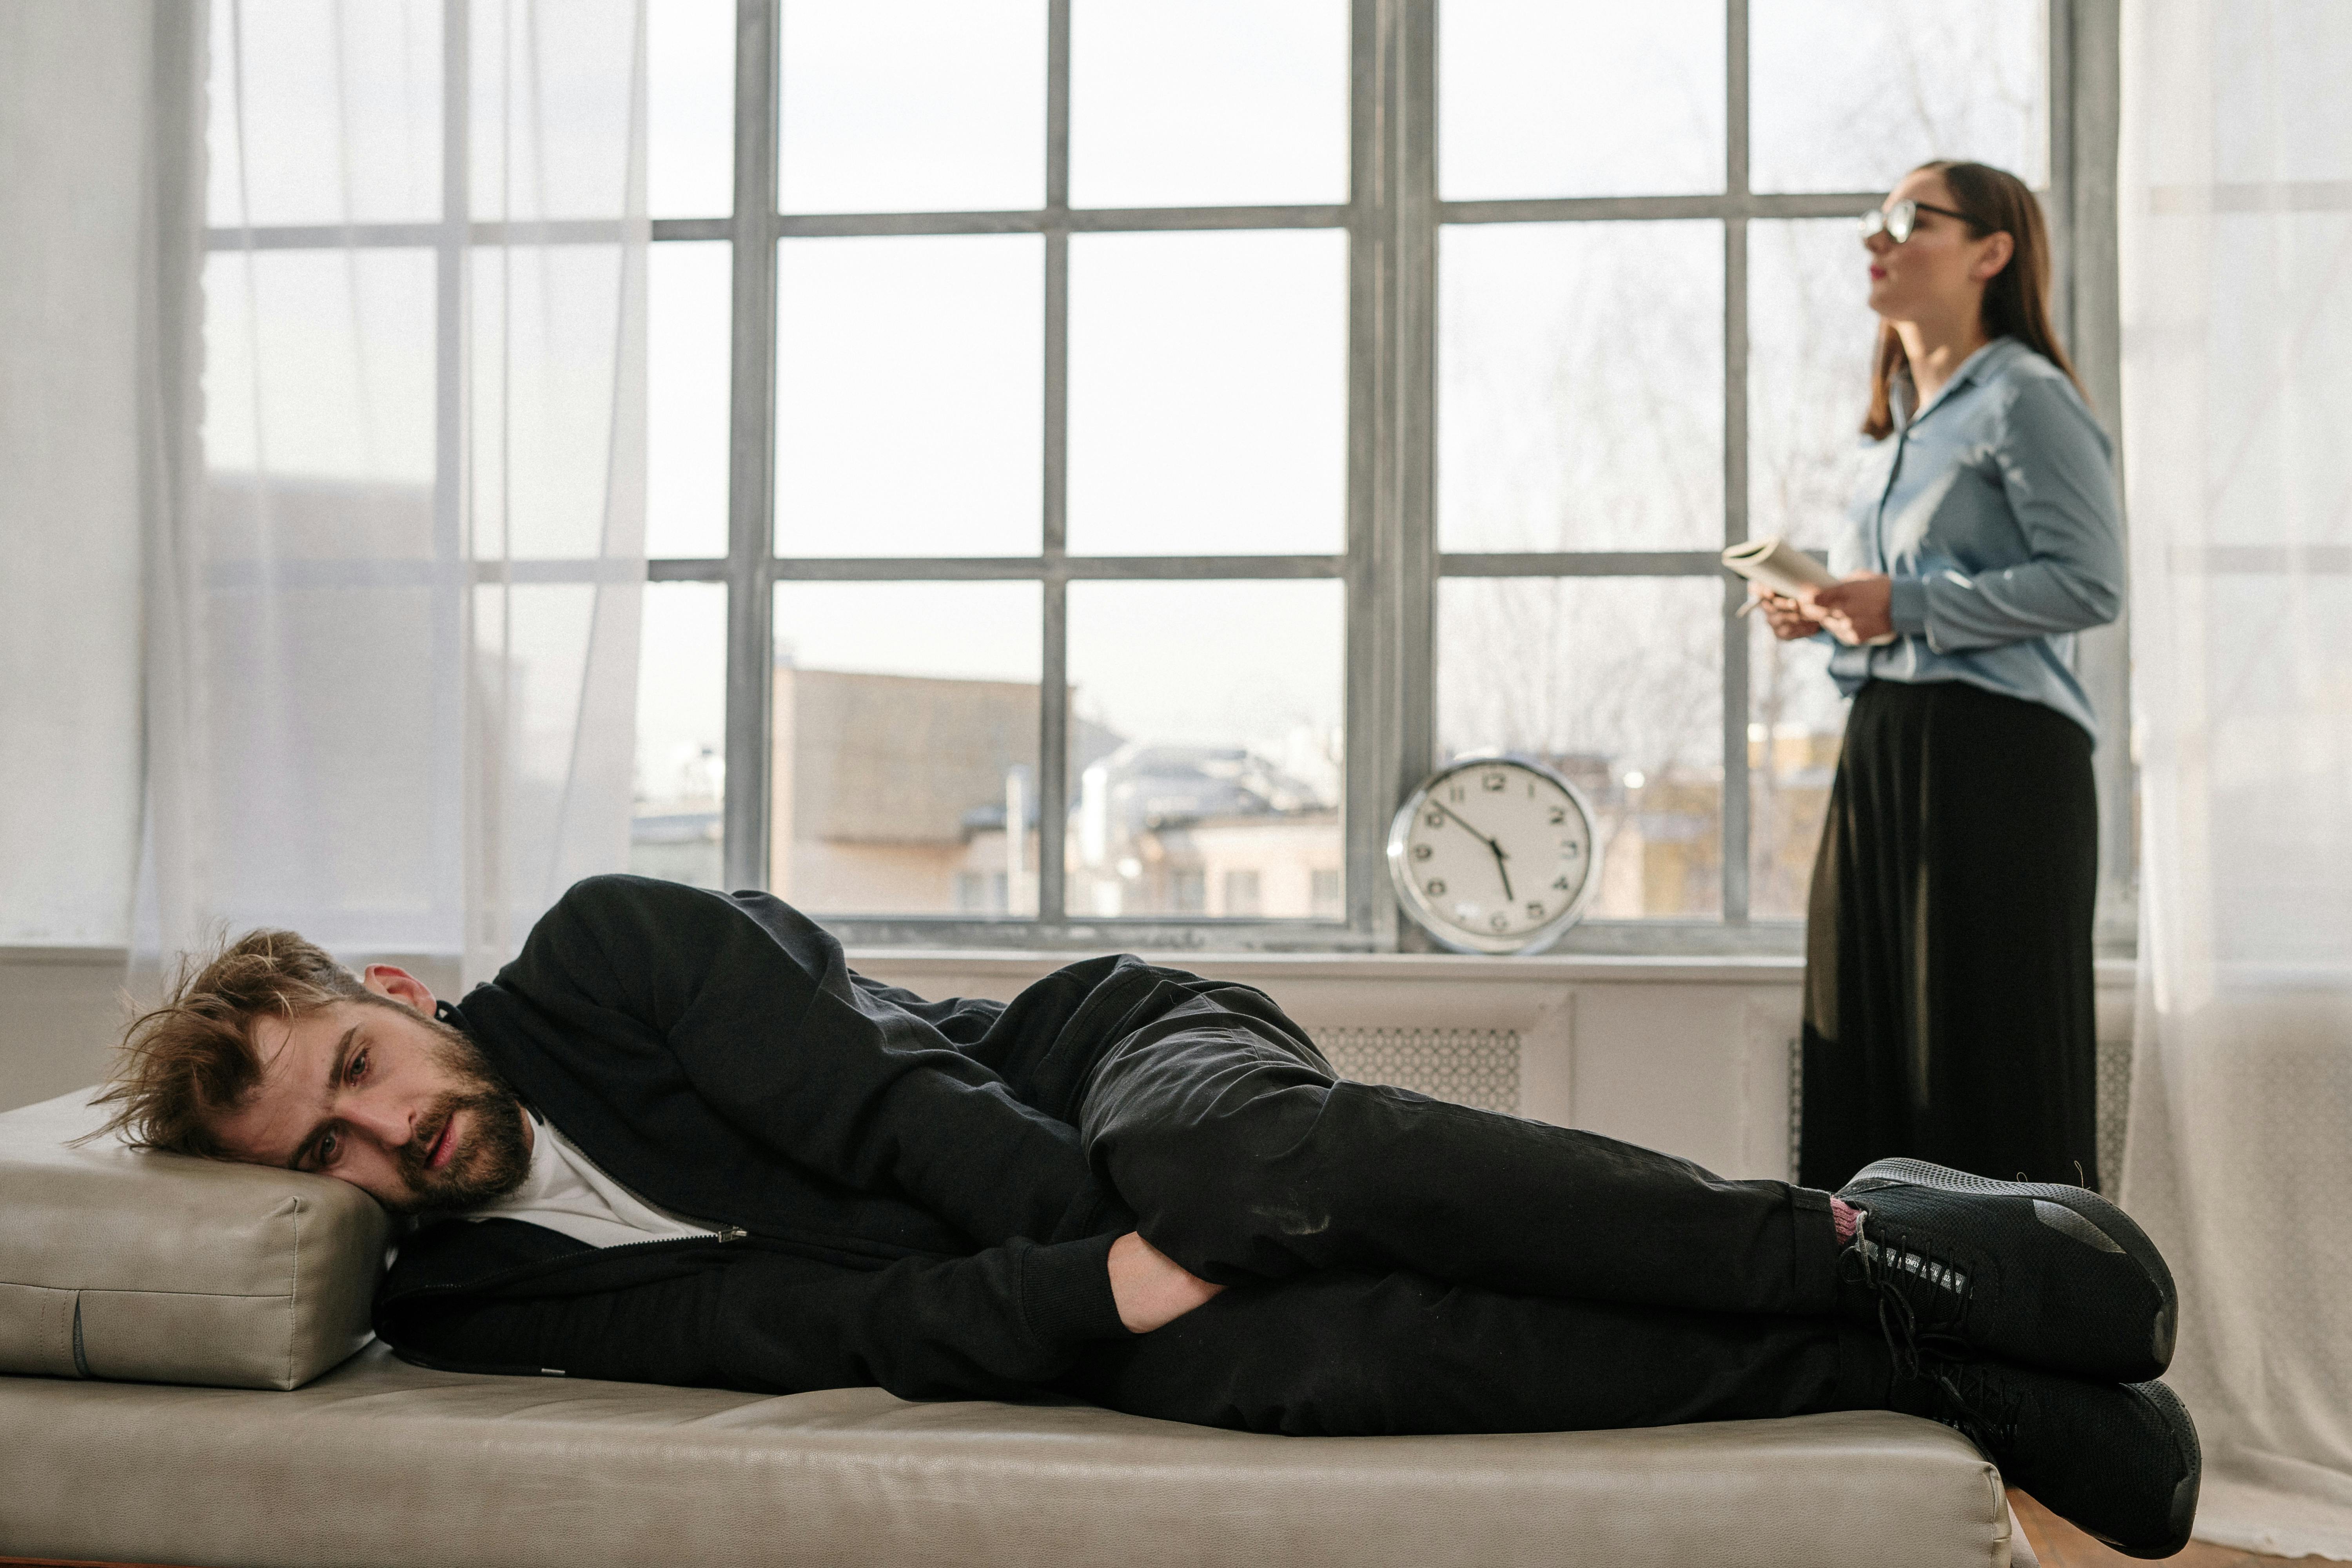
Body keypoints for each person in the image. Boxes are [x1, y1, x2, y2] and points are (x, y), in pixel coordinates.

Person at [97, 874, 2196, 1556]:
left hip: (1104, 1066)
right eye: (323, 1162)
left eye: (361, 1080)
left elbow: (902, 1107)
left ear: (390, 998)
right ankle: (1914, 1357)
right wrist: (1097, 1297)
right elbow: (805, 1340)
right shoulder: (467, 1299)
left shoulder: (611, 950)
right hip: (1068, 1236)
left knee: (1248, 1180)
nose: (383, 1148)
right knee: (1301, 1360)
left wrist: (1129, 1240)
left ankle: (1870, 1242)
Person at [1754, 160, 2123, 1194]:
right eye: (1875, 221)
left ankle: (2018, 1345)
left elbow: (2091, 585)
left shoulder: (2027, 398)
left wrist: (1903, 605)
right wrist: (1828, 611)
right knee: (1863, 1057)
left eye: (1910, 220)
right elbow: (1903, 604)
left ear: (1991, 253)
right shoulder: (1899, 433)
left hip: (1997, 760)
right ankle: (1875, 1348)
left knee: (1985, 1070)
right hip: (1885, 747)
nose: (1879, 240)